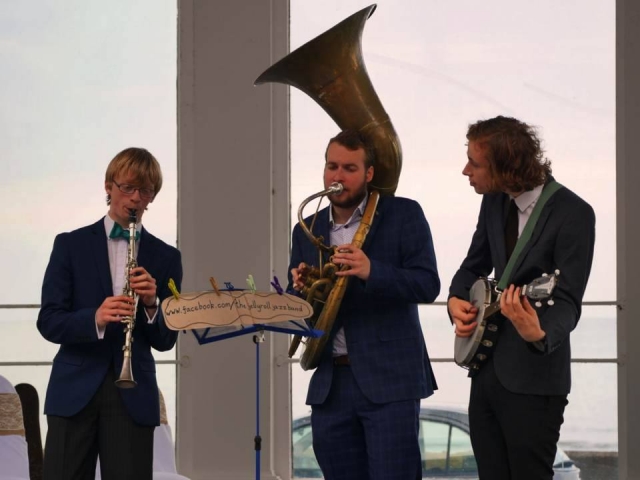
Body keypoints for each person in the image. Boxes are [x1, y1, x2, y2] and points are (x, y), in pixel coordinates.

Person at [448, 116, 595, 480]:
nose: (465, 170)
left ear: (506, 167)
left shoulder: (575, 214)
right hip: (485, 371)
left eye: (475, 163)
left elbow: (568, 299)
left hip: (535, 378)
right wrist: (454, 299)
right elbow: (472, 267)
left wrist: (539, 333)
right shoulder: (494, 203)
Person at [288, 129, 440, 480]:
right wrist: (301, 289)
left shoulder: (404, 214)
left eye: (349, 168)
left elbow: (428, 284)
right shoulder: (306, 229)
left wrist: (372, 271)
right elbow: (306, 307)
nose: (337, 177)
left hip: (390, 382)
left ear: (369, 174)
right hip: (331, 384)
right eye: (331, 166)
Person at [37, 147, 183, 480]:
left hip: (132, 394)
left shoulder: (166, 257)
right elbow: (48, 321)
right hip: (73, 390)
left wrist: (151, 305)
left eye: (144, 191)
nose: (134, 198)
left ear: (152, 197)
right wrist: (95, 318)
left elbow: (166, 340)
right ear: (108, 186)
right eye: (127, 188)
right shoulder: (70, 245)